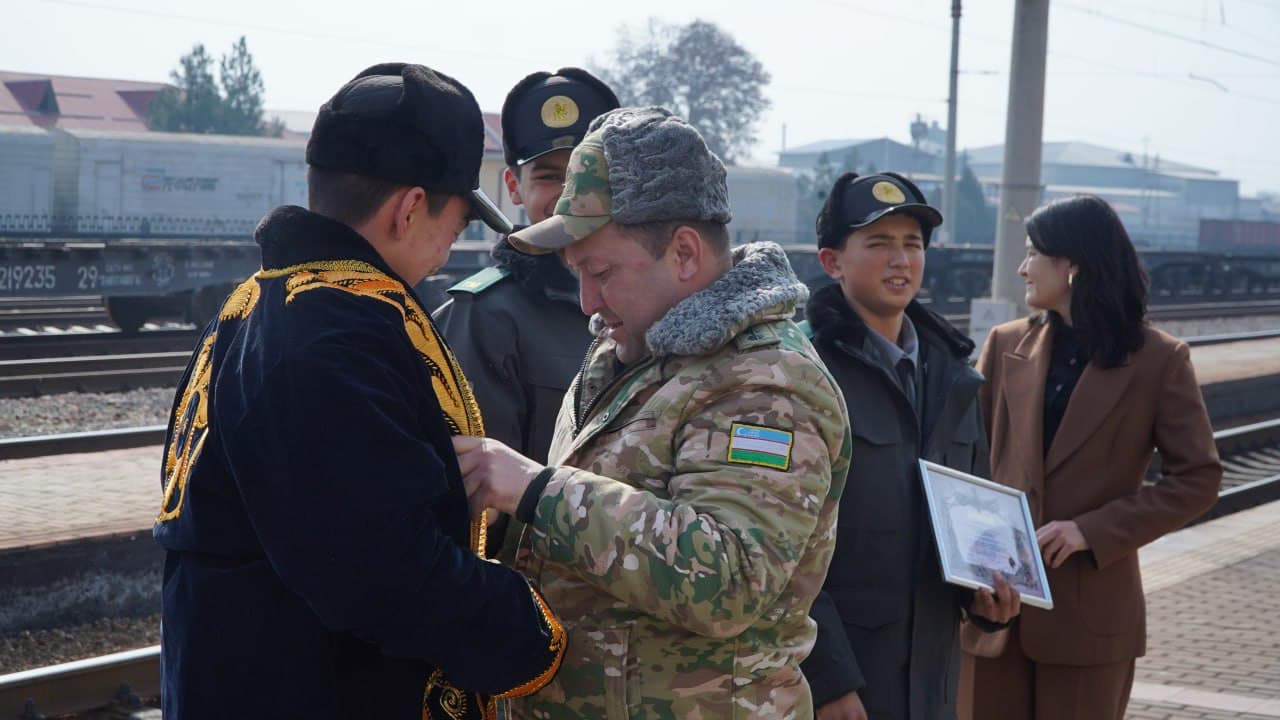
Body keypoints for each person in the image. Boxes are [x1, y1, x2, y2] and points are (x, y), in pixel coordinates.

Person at [152, 63, 566, 720]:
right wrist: (536, 638)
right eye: (455, 228)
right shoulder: (332, 333)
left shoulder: (256, 305)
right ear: (409, 209)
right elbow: (382, 571)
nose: (447, 252)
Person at [452, 106, 852, 719]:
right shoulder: (632, 349)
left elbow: (730, 578)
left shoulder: (768, 382)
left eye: (602, 272)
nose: (587, 300)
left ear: (685, 254)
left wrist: (537, 491)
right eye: (579, 274)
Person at [960, 194, 1222, 720]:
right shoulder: (1004, 344)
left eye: (1034, 253)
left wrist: (1091, 530)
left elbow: (1198, 478)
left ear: (1073, 265)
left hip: (1090, 619)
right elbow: (969, 460)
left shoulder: (1159, 360)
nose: (1022, 267)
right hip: (994, 611)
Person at [799, 172, 1020, 720]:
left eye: (912, 244)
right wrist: (828, 681)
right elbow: (783, 550)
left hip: (932, 680)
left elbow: (974, 517)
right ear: (833, 262)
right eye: (878, 244)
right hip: (842, 684)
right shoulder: (799, 373)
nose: (901, 260)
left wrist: (989, 599)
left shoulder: (954, 378)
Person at [434, 68, 619, 467]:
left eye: (587, 175)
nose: (572, 195)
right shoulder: (485, 317)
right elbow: (479, 489)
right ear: (514, 187)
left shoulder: (654, 303)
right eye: (550, 177)